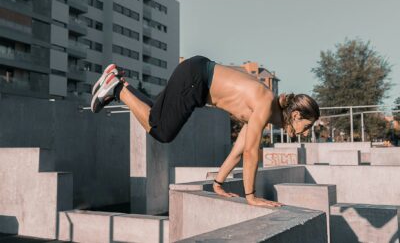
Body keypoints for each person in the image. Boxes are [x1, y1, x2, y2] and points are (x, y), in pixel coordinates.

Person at [90, 56, 320, 207]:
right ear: (296, 115)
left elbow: (239, 151)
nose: (306, 133)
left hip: (195, 73)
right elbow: (252, 153)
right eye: (307, 127)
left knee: (155, 116)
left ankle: (118, 83)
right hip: (196, 78)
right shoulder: (265, 104)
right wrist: (251, 197)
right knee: (162, 131)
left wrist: (218, 183)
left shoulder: (262, 113)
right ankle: (117, 89)